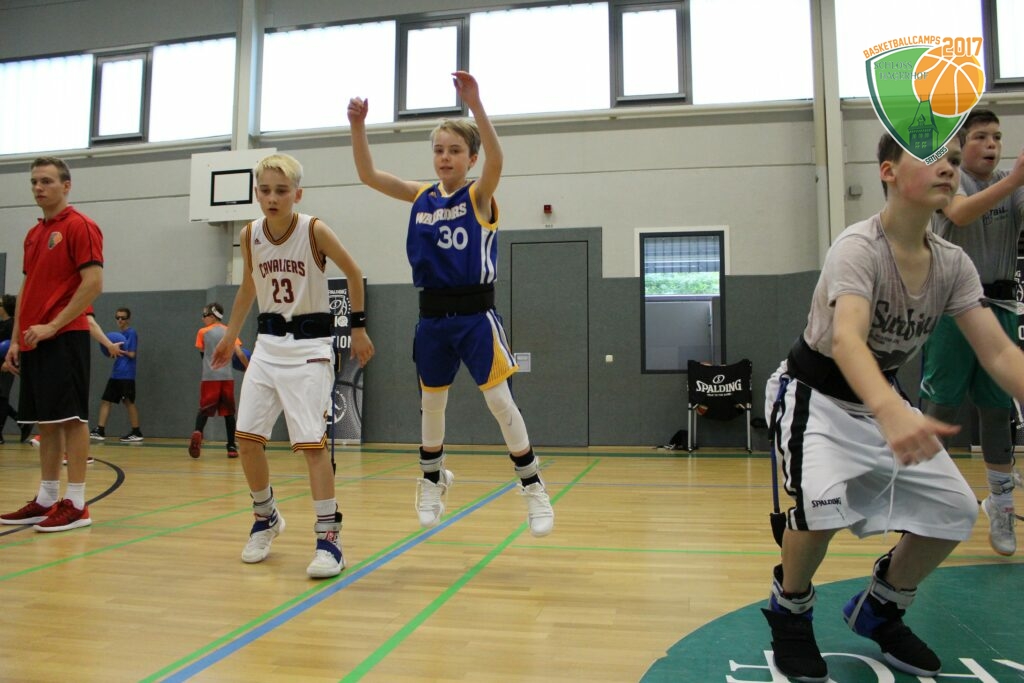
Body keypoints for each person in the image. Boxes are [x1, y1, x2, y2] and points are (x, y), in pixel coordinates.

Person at [761, 132, 1024, 682]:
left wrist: (886, 406)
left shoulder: (952, 263)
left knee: (954, 509)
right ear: (887, 172)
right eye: (933, 159)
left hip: (880, 401)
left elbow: (999, 352)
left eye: (954, 160)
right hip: (815, 397)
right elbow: (846, 340)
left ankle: (880, 607)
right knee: (818, 509)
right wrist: (890, 409)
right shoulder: (858, 247)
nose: (949, 168)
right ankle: (790, 610)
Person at [347, 72, 555, 537]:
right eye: (439, 150)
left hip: (475, 315)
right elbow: (368, 175)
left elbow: (498, 159)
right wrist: (358, 127)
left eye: (455, 150)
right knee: (432, 402)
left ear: (471, 158)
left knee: (499, 400)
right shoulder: (420, 196)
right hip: (432, 315)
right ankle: (432, 478)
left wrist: (476, 104)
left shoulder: (479, 195)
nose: (445, 157)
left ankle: (533, 485)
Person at [210, 152, 374, 579]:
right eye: (265, 190)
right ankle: (266, 516)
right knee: (247, 439)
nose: (272, 198)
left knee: (311, 446)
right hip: (267, 346)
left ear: (297, 194)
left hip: (310, 347)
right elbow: (249, 286)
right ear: (256, 193)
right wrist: (230, 335)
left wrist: (357, 328)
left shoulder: (313, 230)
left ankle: (329, 538)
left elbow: (353, 272)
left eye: (281, 191)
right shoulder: (250, 234)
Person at [918, 109, 1024, 556]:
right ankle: (926, 503)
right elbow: (960, 215)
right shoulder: (950, 179)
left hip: (1000, 307)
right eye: (981, 136)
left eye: (997, 136)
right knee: (941, 409)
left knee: (997, 412)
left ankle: (1001, 503)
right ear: (962, 144)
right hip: (952, 310)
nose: (991, 144)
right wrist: (1014, 180)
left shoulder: (1012, 185)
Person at [0, 156, 103, 533]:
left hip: (65, 335)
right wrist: (15, 339)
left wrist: (53, 325)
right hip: (34, 339)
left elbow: (93, 283)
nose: (38, 187)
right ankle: (45, 499)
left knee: (72, 418)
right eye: (34, 182)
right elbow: (27, 286)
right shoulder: (33, 234)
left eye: (46, 181)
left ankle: (76, 503)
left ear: (66, 185)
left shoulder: (80, 226)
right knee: (46, 420)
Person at [190, 302, 248, 459]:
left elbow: (203, 354)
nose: (202, 319)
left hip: (209, 377)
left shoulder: (202, 332)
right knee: (229, 414)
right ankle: (231, 446)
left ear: (213, 316)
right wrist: (248, 368)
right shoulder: (229, 331)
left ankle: (198, 432)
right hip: (226, 377)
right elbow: (240, 354)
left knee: (204, 410)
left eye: (205, 315)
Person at [89, 307, 143, 443]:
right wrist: (111, 350)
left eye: (123, 318)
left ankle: (136, 432)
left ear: (128, 319)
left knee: (128, 402)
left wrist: (117, 350)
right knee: (106, 400)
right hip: (116, 374)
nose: (120, 320)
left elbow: (132, 354)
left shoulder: (131, 333)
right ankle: (100, 430)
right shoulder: (119, 334)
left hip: (126, 375)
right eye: (117, 317)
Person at [0, 294, 34, 444]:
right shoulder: (2, 324)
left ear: (5, 308)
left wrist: (9, 363)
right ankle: (20, 421)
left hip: (7, 365)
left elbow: (16, 345)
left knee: (1, 397)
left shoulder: (13, 325)